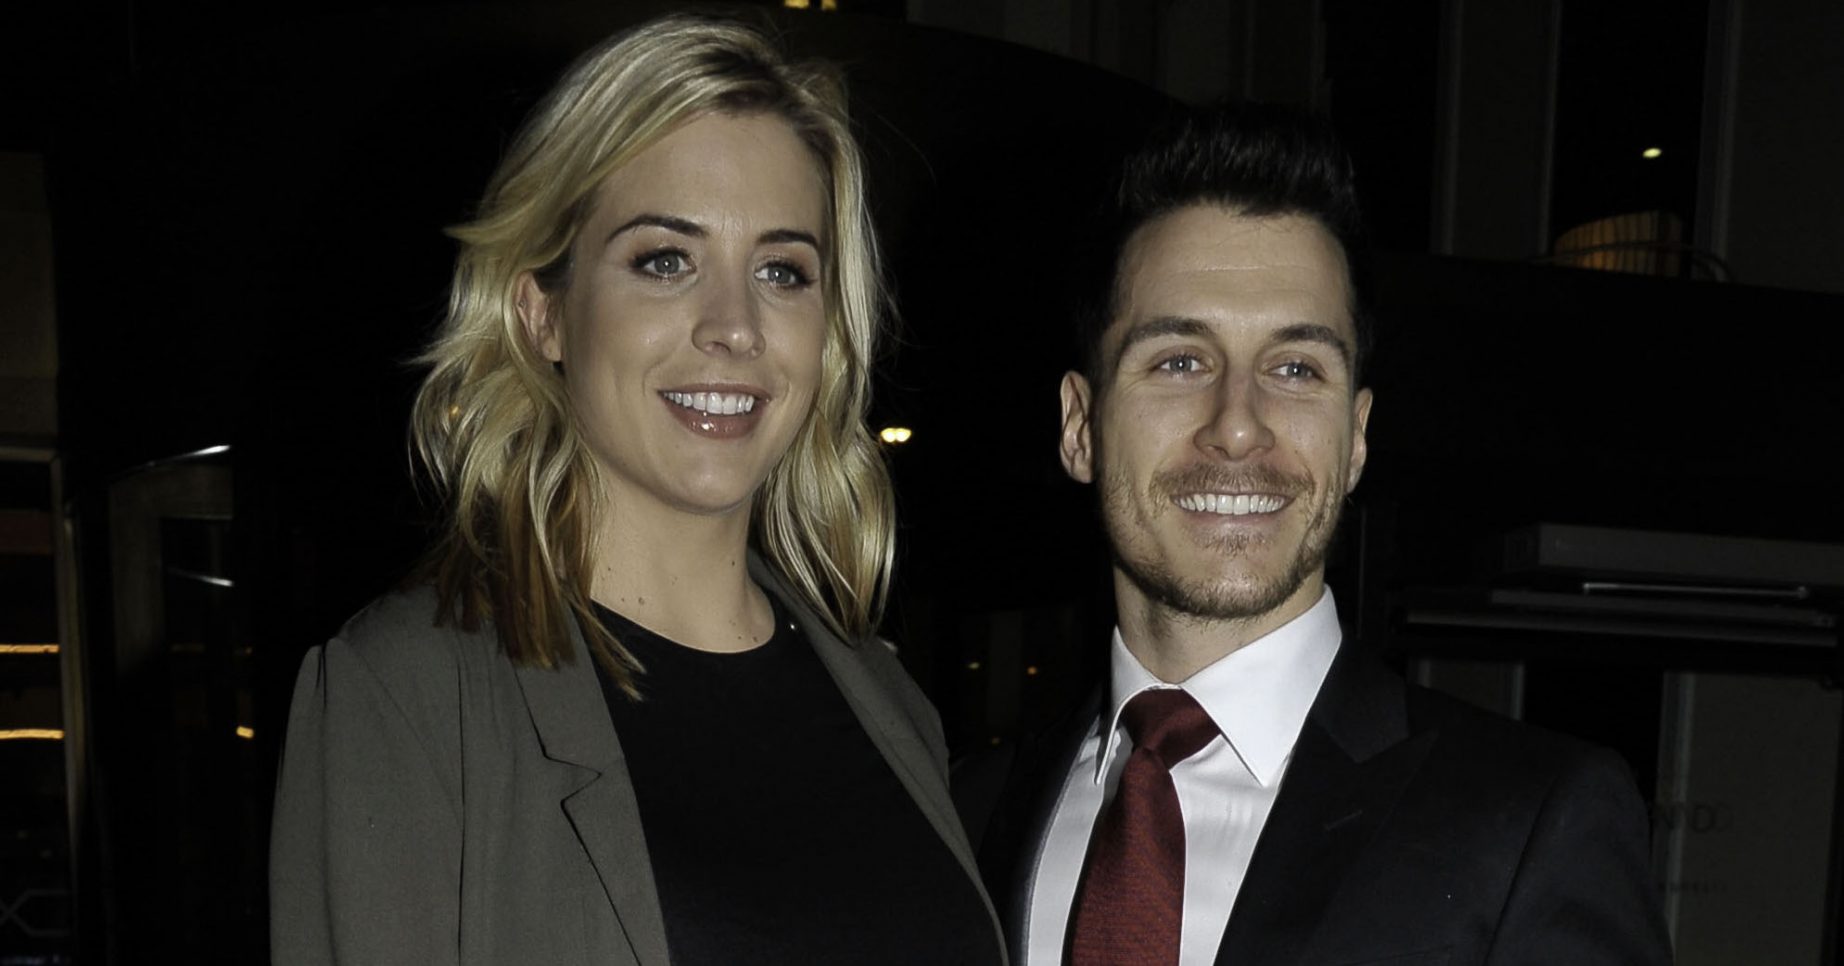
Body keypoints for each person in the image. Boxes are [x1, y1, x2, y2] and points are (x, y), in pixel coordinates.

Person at [269, 15, 1004, 966]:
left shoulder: (892, 704)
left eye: (782, 271)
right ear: (542, 314)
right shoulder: (409, 697)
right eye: (666, 260)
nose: (735, 325)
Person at [956, 103, 1673, 966]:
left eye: (1296, 369)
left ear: (1356, 436)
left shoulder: (1534, 824)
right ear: (1080, 427)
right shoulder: (966, 816)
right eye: (1179, 361)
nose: (1238, 426)